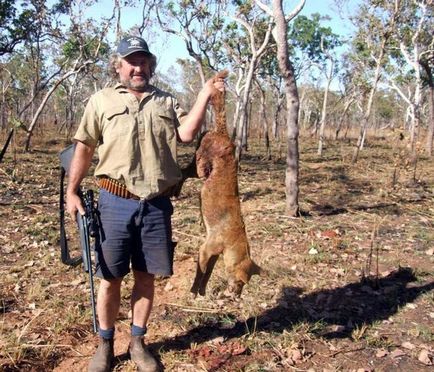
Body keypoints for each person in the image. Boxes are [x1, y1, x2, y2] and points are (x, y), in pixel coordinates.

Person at [66, 35, 224, 372]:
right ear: (118, 66)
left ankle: (138, 342)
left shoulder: (166, 101)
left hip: (155, 206)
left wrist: (203, 96)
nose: (138, 68)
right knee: (110, 279)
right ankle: (105, 344)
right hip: (114, 202)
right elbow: (84, 146)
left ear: (151, 65)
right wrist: (72, 190)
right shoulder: (101, 101)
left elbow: (186, 134)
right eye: (131, 61)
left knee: (146, 278)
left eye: (144, 61)